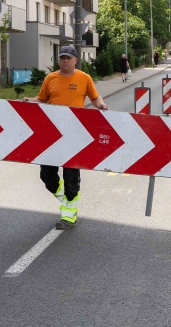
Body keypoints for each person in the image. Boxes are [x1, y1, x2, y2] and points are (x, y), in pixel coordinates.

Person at [22, 45, 108, 230]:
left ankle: (69, 216)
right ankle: (67, 201)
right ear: (59, 60)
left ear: (76, 60)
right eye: (62, 58)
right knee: (46, 175)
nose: (65, 61)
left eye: (69, 58)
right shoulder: (50, 78)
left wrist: (100, 105)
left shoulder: (84, 78)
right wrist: (29, 101)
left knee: (71, 175)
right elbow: (41, 99)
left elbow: (94, 97)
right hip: (51, 134)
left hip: (74, 134)